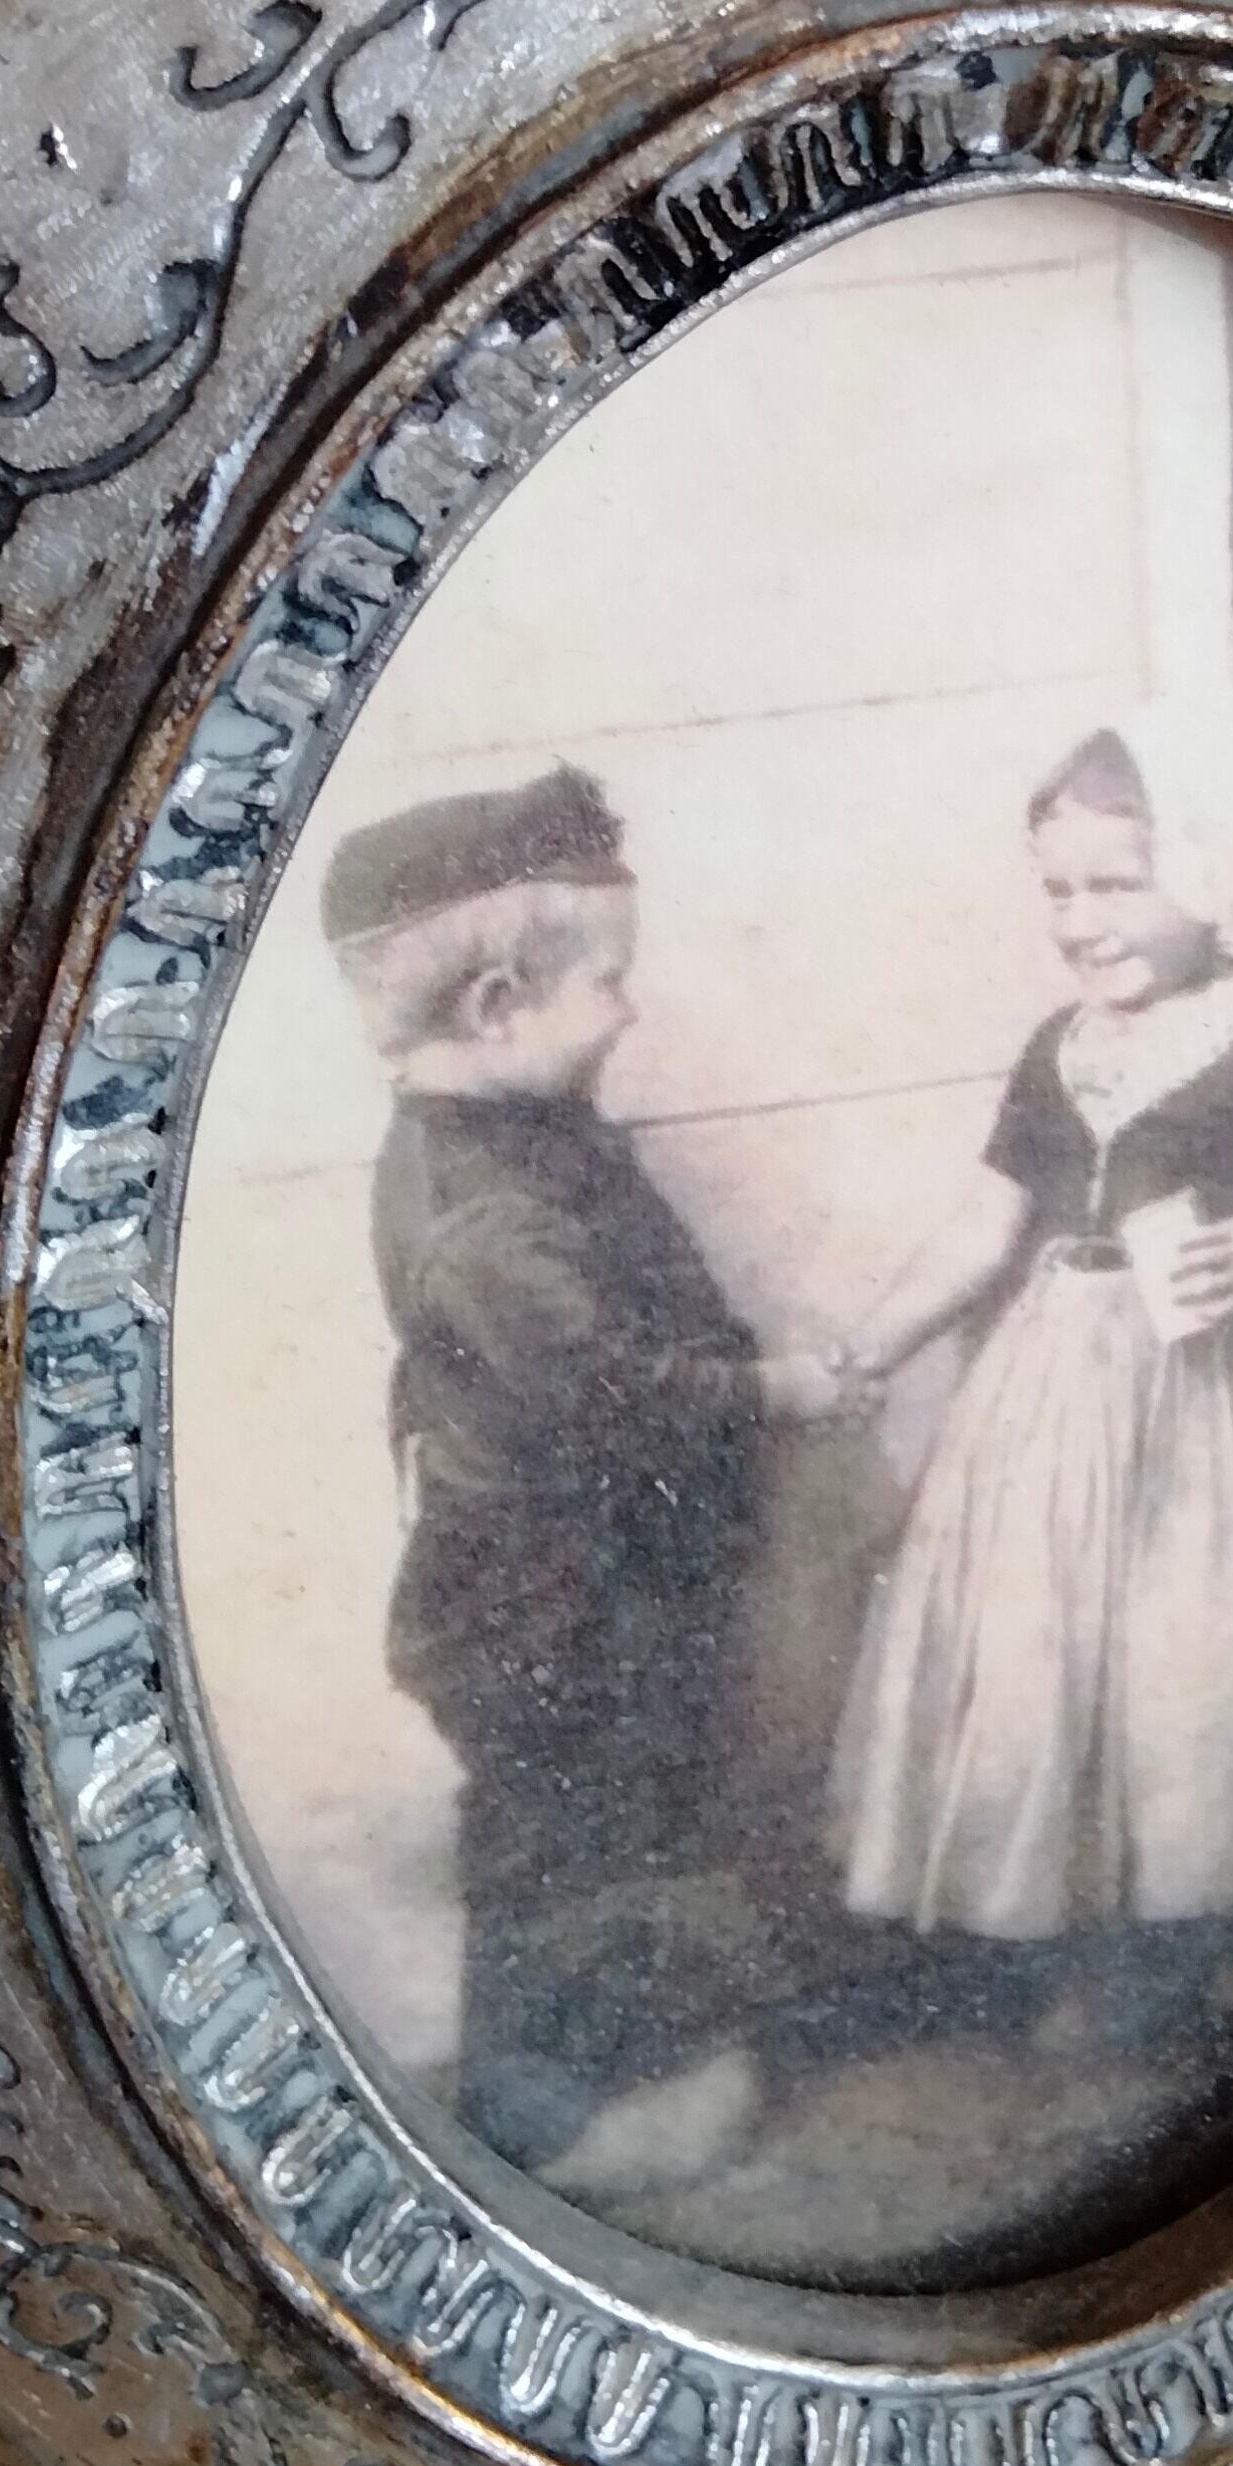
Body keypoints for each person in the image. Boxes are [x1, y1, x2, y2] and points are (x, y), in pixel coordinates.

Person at [825, 694, 1233, 2029]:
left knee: (1194, 1658)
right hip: (1057, 1391)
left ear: (1211, 865)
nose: (1082, 922)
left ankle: (1195, 1949)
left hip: (1228, 1400)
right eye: (1059, 890)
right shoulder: (1060, 1048)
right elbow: (984, 1230)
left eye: (1117, 885)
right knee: (1048, 1647)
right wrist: (867, 1350)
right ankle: (1072, 1933)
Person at [325, 764, 836, 2190]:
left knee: (621, 1824)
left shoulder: (524, 1134)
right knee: (557, 1849)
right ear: (497, 1006)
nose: (628, 1013)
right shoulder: (485, 1215)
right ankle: (541, 2117)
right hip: (541, 1606)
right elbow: (622, 1397)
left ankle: (625, 2067)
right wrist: (778, 1389)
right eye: (607, 983)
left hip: (589, 1589)